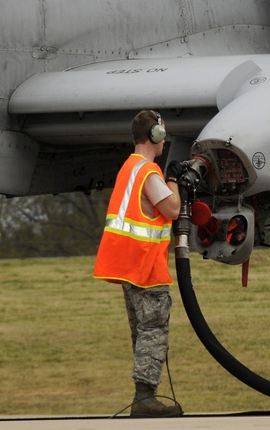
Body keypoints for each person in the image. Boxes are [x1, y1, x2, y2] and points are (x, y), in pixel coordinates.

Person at [93, 110, 182, 418]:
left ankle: (144, 395)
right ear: (155, 136)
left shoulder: (129, 168)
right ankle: (144, 397)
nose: (165, 138)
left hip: (128, 265)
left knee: (141, 331)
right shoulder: (149, 172)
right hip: (146, 266)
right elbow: (171, 209)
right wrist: (175, 182)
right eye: (163, 133)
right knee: (153, 330)